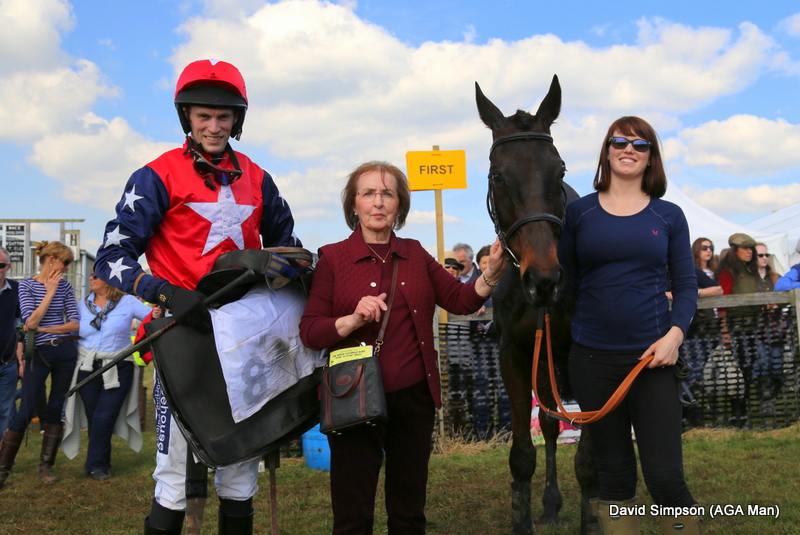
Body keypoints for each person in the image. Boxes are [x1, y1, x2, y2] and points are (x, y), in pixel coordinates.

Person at [94, 59, 301, 534]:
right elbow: (112, 256)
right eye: (203, 115)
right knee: (172, 468)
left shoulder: (258, 177)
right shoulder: (155, 175)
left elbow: (287, 246)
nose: (214, 126)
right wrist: (162, 291)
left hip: (244, 337)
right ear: (186, 116)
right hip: (181, 335)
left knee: (240, 464)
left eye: (224, 117)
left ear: (237, 121)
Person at [299, 161, 507, 534]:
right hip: (352, 396)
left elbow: (460, 300)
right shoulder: (332, 257)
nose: (378, 202)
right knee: (352, 513)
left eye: (387, 193)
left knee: (409, 512)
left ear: (400, 205)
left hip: (413, 398)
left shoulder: (415, 253)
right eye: (368, 193)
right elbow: (311, 332)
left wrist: (490, 274)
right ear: (354, 205)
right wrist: (351, 319)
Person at [558, 117, 702, 533]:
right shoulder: (578, 212)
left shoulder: (669, 215)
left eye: (640, 145)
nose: (629, 149)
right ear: (606, 150)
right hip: (591, 361)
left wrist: (674, 336)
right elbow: (563, 284)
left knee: (665, 479)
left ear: (651, 157)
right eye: (619, 141)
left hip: (653, 360)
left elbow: (688, 285)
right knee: (614, 478)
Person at [0, 241, 79, 488]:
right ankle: (3, 470)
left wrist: (44, 327)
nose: (66, 268)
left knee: (56, 408)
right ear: (51, 259)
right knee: (26, 409)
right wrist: (50, 293)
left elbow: (75, 323)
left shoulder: (66, 286)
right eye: (65, 262)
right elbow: (30, 321)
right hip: (40, 353)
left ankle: (46, 467)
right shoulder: (26, 286)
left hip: (65, 351)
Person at [62, 266, 153, 481]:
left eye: (95, 276)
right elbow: (72, 331)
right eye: (90, 275)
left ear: (109, 280)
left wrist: (158, 311)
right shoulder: (82, 307)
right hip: (87, 367)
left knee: (104, 416)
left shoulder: (128, 302)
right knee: (95, 417)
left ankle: (95, 466)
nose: (90, 278)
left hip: (118, 366)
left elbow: (153, 318)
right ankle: (101, 463)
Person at [0, 247, 23, 438]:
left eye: (0, 265)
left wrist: (20, 359)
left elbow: (20, 326)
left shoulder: (16, 290)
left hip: (7, 362)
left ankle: (2, 457)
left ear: (8, 266)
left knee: (5, 410)